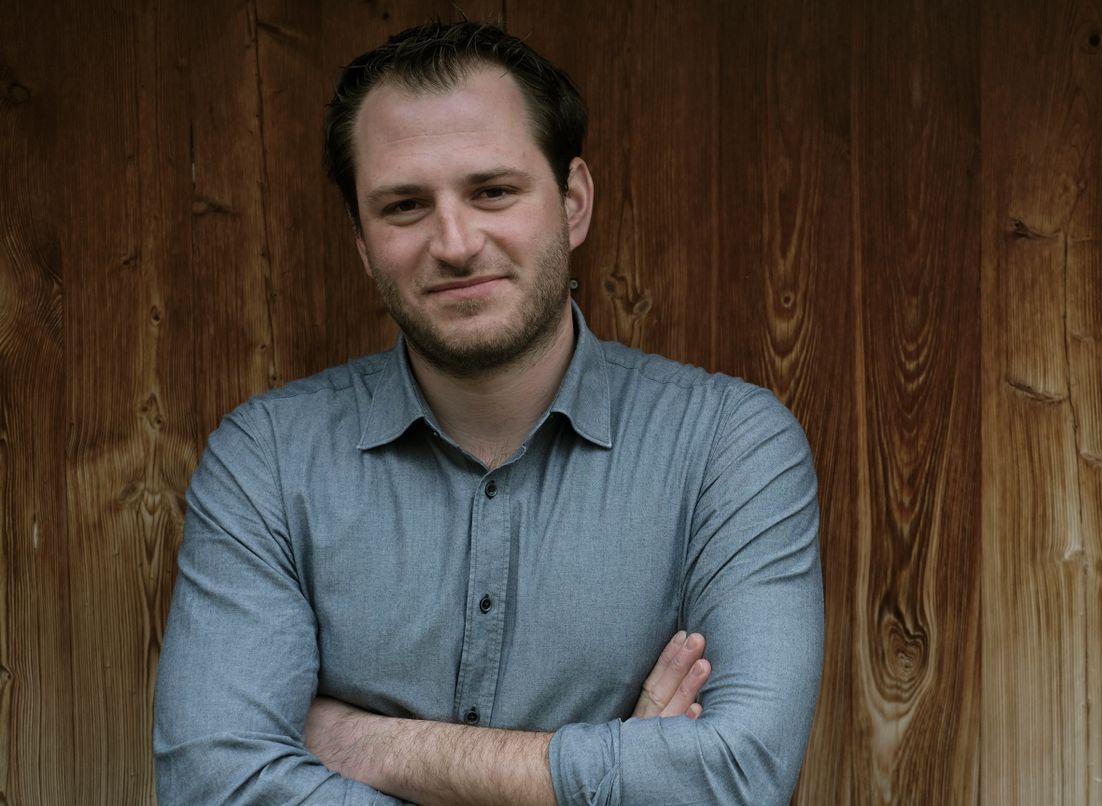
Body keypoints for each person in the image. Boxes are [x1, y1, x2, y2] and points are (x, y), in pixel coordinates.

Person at [154, 18, 824, 805]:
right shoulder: (267, 459)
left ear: (573, 202)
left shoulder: (727, 447)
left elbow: (739, 780)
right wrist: (619, 777)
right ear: (363, 244)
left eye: (493, 192)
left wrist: (370, 744)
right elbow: (214, 787)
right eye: (405, 205)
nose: (456, 241)